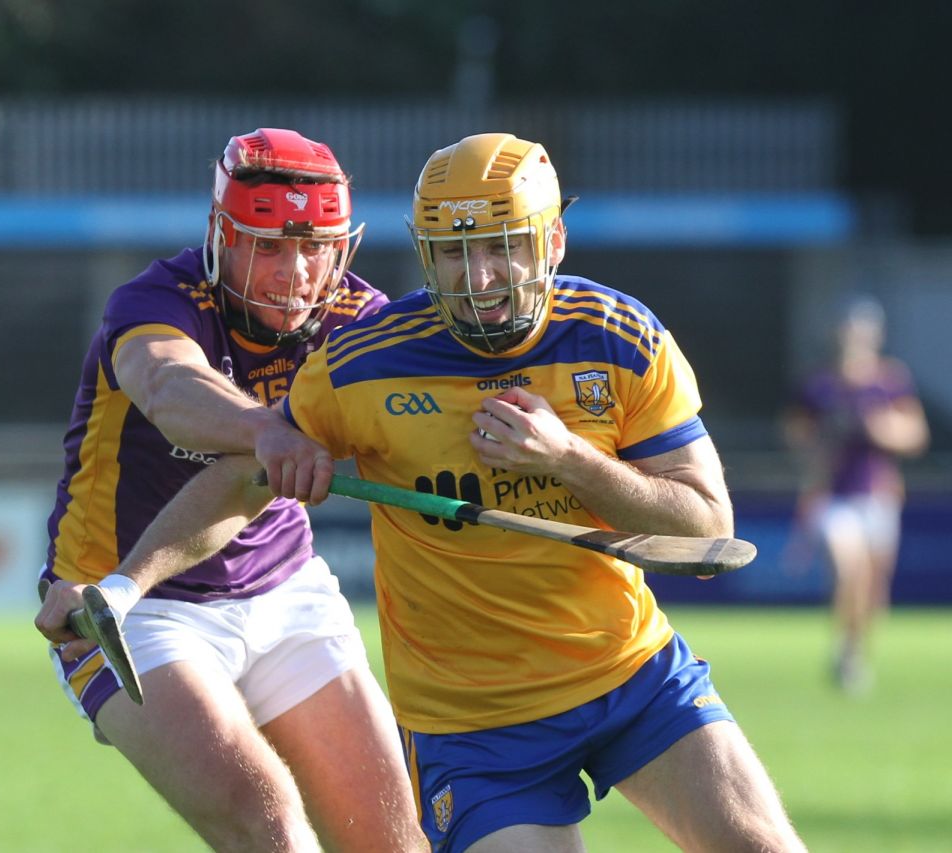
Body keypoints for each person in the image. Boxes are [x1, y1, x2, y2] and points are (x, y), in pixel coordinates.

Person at [74, 132, 810, 852]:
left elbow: (706, 529)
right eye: (454, 253)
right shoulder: (358, 360)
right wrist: (126, 582)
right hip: (474, 729)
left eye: (501, 247)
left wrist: (570, 461)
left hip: (632, 677)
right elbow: (219, 451)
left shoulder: (619, 339)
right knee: (268, 824)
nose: (479, 278)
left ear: (551, 241)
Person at [33, 128, 425, 852]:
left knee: (397, 841)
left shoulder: (358, 323)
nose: (295, 273)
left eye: (314, 248)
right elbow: (167, 384)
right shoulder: (157, 300)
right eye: (268, 245)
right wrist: (266, 427)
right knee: (267, 823)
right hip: (127, 609)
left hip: (286, 594)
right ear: (221, 234)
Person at [783, 295, 928, 694]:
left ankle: (853, 651)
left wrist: (882, 429)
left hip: (877, 496)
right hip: (832, 495)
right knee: (850, 570)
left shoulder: (889, 380)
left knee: (873, 586)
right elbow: (795, 432)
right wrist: (818, 440)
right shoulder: (821, 385)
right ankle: (845, 654)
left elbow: (914, 434)